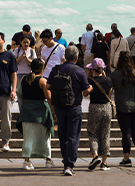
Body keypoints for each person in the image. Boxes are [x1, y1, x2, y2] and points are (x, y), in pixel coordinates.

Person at [48, 45, 91, 176]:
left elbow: (48, 86)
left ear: (65, 56)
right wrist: (90, 88)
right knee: (73, 136)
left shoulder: (56, 70)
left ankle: (65, 160)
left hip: (59, 107)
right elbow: (85, 92)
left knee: (63, 136)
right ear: (77, 58)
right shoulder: (79, 71)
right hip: (74, 107)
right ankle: (69, 164)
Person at [18, 57, 53, 170]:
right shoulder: (43, 81)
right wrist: (54, 110)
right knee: (44, 137)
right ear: (42, 68)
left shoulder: (24, 78)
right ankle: (48, 160)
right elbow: (48, 97)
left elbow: (20, 94)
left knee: (28, 137)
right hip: (41, 112)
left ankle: (27, 161)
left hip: (27, 111)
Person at [85, 58, 114, 172]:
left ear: (92, 69)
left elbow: (85, 93)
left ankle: (95, 155)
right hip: (107, 108)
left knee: (92, 133)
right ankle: (104, 162)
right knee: (105, 134)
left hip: (94, 107)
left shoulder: (90, 81)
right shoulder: (109, 81)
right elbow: (109, 94)